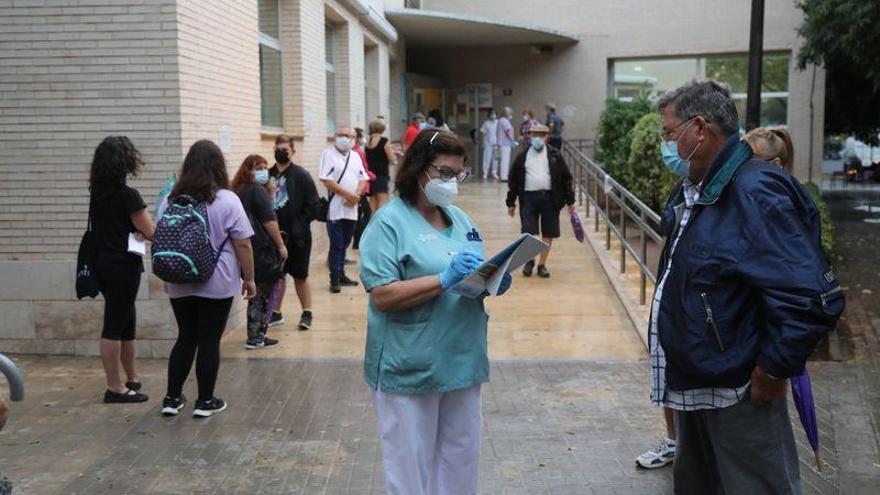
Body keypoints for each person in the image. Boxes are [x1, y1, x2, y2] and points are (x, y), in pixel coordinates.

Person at [653, 80, 844, 493]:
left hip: (738, 389)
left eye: (669, 132)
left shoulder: (755, 191)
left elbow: (814, 297)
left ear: (699, 129)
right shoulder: (696, 189)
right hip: (696, 382)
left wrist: (773, 369)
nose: (665, 143)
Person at [359, 129, 512, 495]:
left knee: (460, 463)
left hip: (461, 361)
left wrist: (492, 280)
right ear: (418, 169)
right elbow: (382, 295)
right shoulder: (388, 223)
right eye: (444, 173)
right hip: (410, 366)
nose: (451, 183)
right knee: (410, 471)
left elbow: (473, 273)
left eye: (457, 175)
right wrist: (442, 279)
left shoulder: (461, 220)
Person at [160, 139, 257, 418]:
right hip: (217, 281)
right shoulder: (227, 199)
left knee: (185, 338)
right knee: (209, 341)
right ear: (219, 166)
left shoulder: (171, 200)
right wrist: (249, 278)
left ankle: (172, 398)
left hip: (178, 280)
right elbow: (243, 244)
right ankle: (205, 401)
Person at [88, 136, 155, 404]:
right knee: (115, 326)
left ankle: (132, 377)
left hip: (103, 264)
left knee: (127, 322)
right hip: (122, 267)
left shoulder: (97, 192)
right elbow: (149, 230)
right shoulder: (128, 195)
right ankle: (115, 388)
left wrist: (136, 231)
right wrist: (144, 231)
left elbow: (117, 226)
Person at [231, 154, 288, 349]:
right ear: (247, 170)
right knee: (262, 293)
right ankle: (256, 336)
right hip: (261, 249)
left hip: (245, 248)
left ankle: (257, 334)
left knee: (257, 290)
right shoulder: (256, 191)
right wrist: (281, 245)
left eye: (265, 167)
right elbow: (269, 221)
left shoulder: (239, 190)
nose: (263, 171)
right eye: (258, 167)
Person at [506, 124, 575, 278]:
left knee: (548, 232)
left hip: (550, 198)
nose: (537, 138)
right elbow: (514, 181)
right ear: (529, 136)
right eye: (534, 135)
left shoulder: (555, 155)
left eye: (541, 135)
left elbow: (566, 179)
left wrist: (571, 201)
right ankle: (529, 261)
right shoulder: (522, 156)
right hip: (528, 198)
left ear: (547, 137)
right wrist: (511, 203)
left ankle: (542, 264)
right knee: (528, 232)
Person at [268, 135, 319, 331]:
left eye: (285, 149)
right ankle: (276, 312)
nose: (281, 152)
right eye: (278, 148)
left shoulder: (301, 175)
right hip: (273, 237)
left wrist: (301, 223)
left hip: (298, 238)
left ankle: (307, 312)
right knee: (277, 275)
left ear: (292, 151)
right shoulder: (267, 175)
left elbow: (313, 204)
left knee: (300, 275)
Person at [320, 126, 369, 293]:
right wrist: (349, 195)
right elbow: (327, 180)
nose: (345, 138)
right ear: (335, 136)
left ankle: (341, 273)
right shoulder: (328, 154)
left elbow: (363, 178)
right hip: (335, 208)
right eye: (341, 135)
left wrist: (356, 195)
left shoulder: (355, 156)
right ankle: (334, 277)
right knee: (337, 243)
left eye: (349, 136)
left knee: (346, 241)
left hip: (351, 207)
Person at [365, 118, 397, 212]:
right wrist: (395, 159)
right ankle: (379, 225)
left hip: (370, 175)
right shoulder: (384, 141)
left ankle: (371, 223)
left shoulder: (368, 141)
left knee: (372, 202)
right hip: (381, 176)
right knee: (382, 202)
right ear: (382, 128)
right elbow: (392, 158)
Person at [352, 127, 374, 251]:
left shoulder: (356, 151)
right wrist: (371, 175)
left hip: (361, 185)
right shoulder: (358, 152)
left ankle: (357, 241)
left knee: (362, 213)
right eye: (362, 136)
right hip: (361, 187)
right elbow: (362, 170)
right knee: (364, 213)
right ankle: (359, 240)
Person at [496, 107, 516, 182]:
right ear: (507, 114)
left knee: (502, 161)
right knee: (505, 161)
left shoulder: (500, 120)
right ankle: (504, 177)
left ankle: (503, 176)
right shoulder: (505, 121)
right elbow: (508, 132)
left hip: (501, 143)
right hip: (505, 144)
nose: (511, 116)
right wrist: (512, 141)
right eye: (511, 114)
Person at [480, 109, 499, 179]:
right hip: (488, 144)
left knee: (496, 159)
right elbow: (483, 133)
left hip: (497, 144)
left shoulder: (498, 122)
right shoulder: (486, 123)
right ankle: (485, 173)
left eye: (494, 114)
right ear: (489, 115)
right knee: (486, 159)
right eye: (491, 114)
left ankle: (494, 172)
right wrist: (483, 143)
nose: (493, 115)